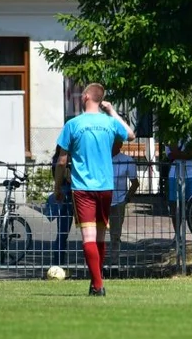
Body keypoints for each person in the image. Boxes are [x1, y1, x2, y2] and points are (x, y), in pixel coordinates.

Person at [54, 84, 135, 296]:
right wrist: (112, 111)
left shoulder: (73, 124)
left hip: (83, 188)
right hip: (106, 188)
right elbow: (131, 134)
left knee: (88, 237)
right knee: (100, 237)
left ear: (88, 96)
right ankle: (95, 281)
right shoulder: (109, 122)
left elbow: (62, 160)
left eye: (83, 93)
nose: (81, 96)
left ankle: (98, 285)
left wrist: (57, 187)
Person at [109, 139, 140, 268]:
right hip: (101, 201)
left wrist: (126, 199)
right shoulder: (100, 159)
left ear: (120, 145)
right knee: (95, 232)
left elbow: (135, 182)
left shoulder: (127, 160)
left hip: (119, 201)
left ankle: (114, 262)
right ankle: (96, 261)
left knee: (115, 233)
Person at [47, 148, 73, 267]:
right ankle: (58, 262)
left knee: (62, 232)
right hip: (72, 194)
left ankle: (58, 263)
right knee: (90, 231)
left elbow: (56, 174)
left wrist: (58, 187)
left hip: (63, 195)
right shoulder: (72, 159)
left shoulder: (56, 160)